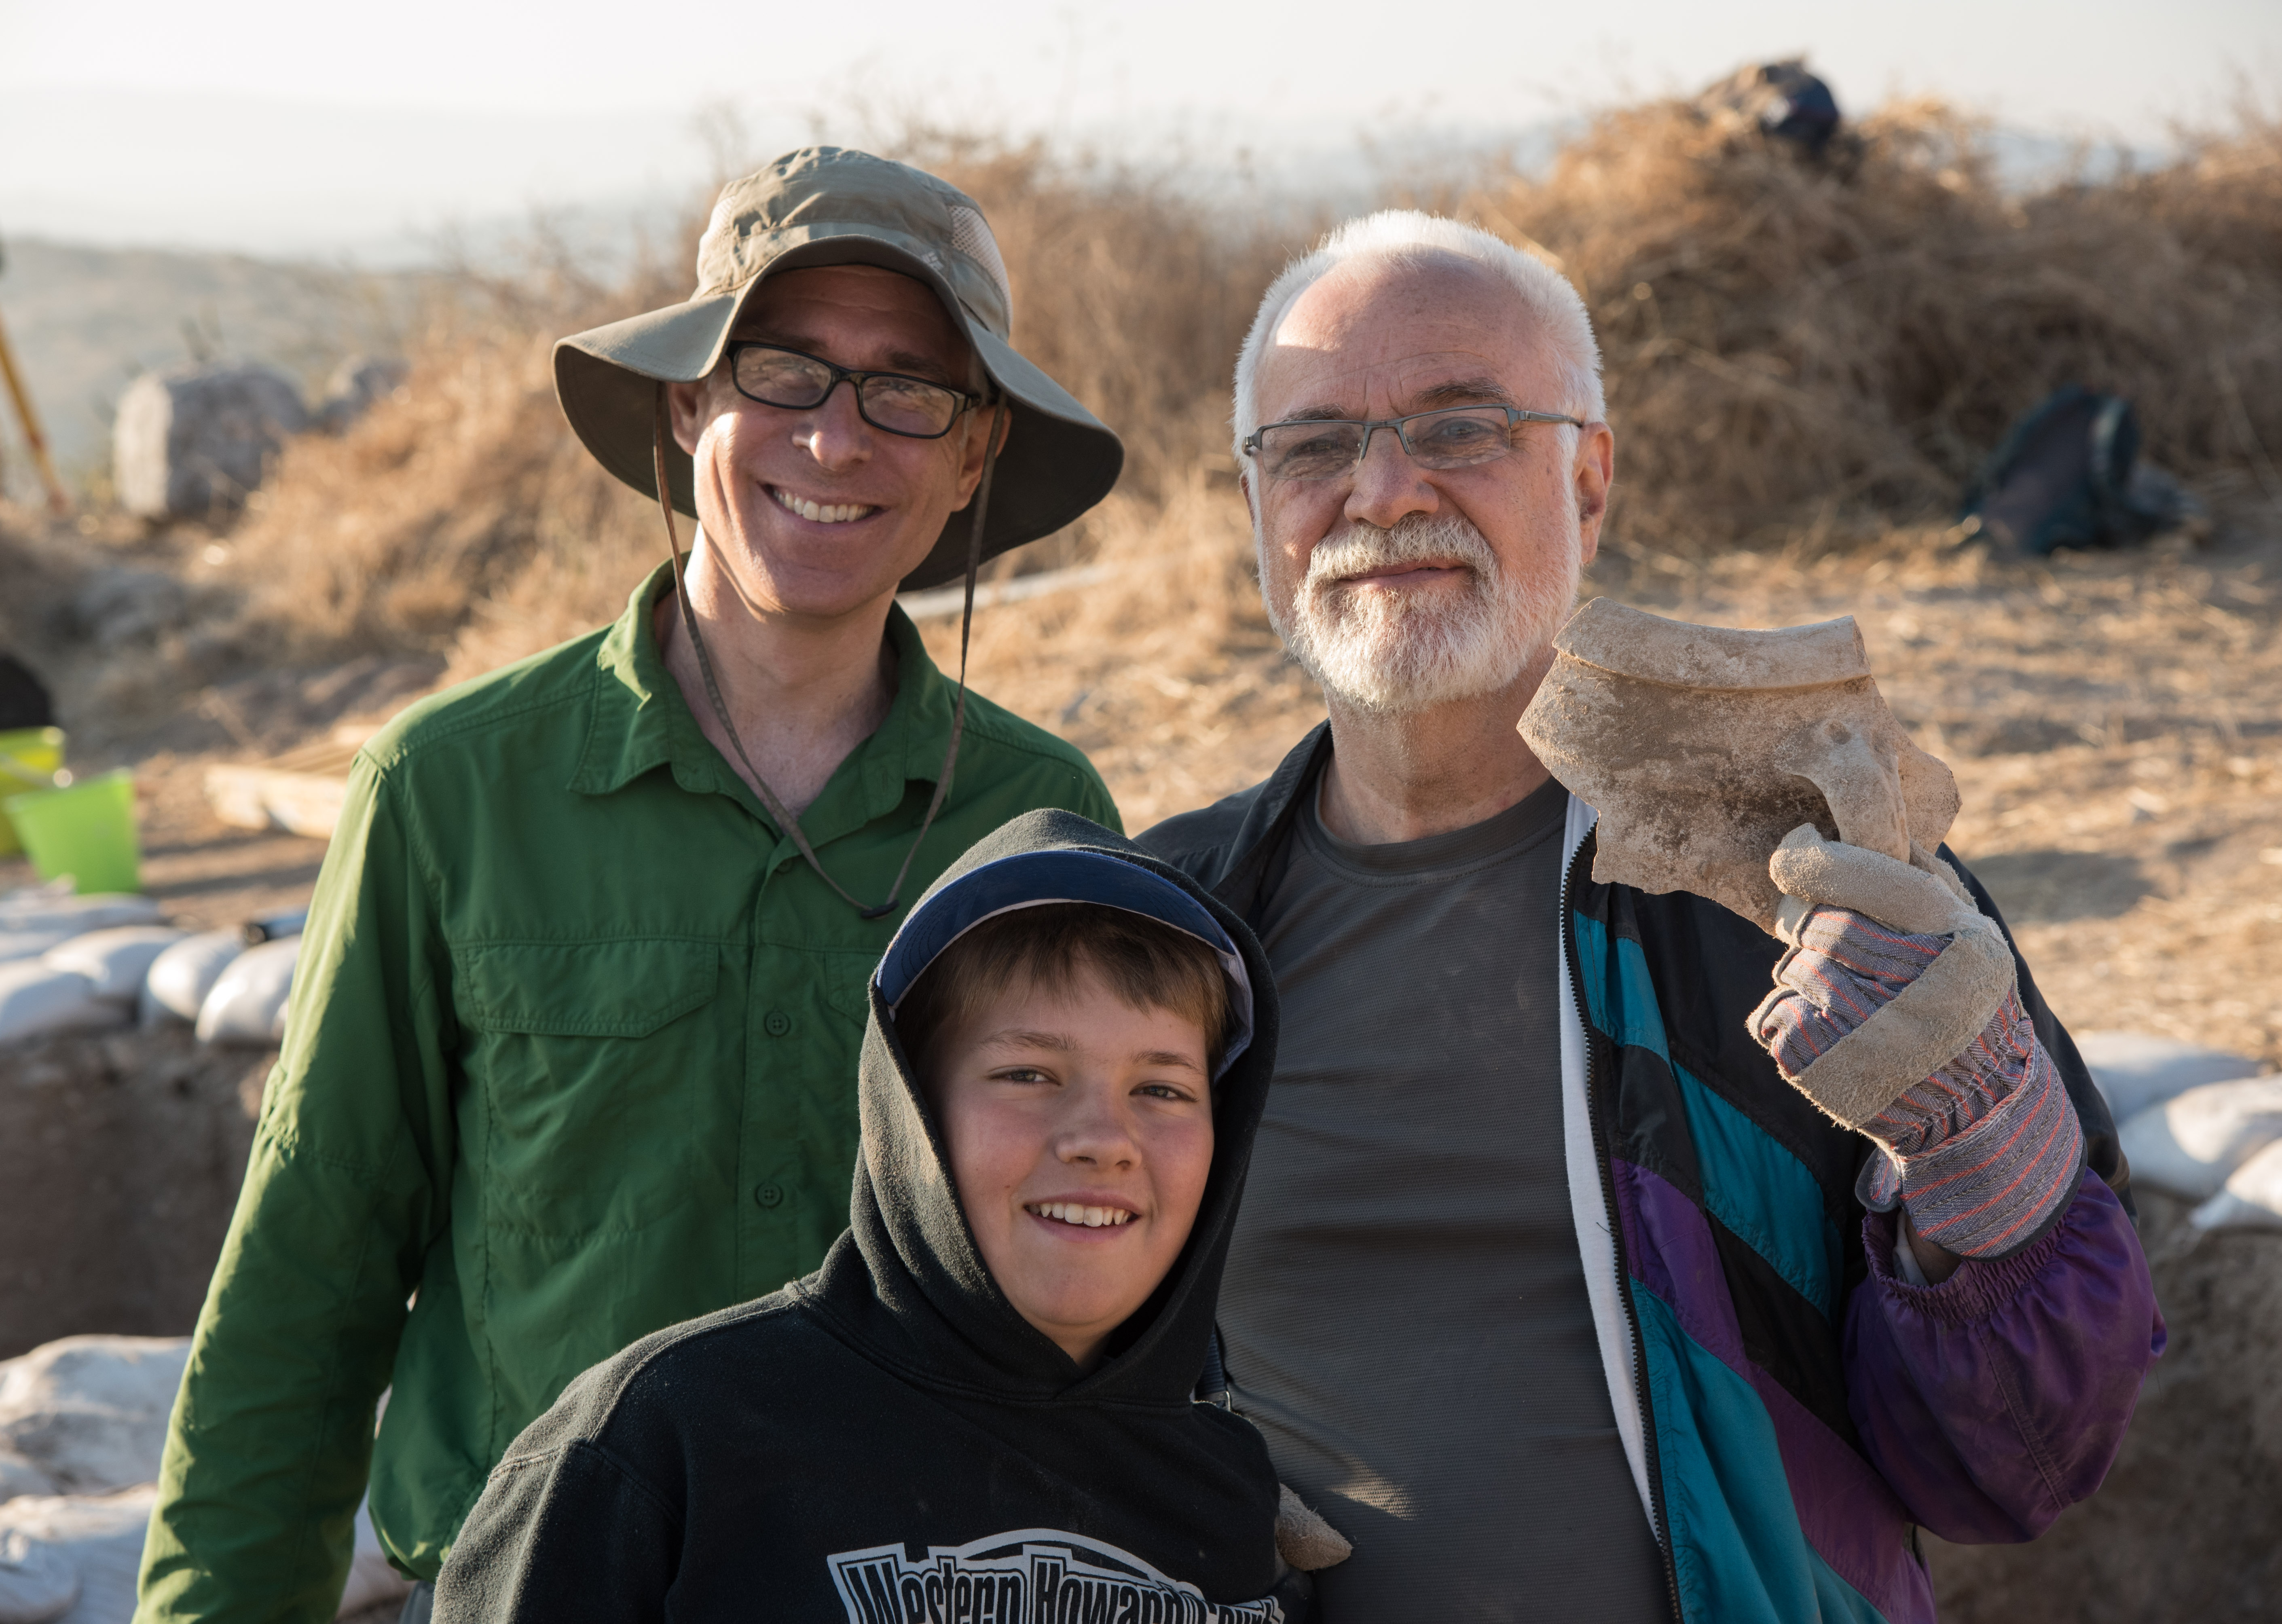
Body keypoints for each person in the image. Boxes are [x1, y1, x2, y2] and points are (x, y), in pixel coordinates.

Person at [136, 149, 1128, 1623]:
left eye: (905, 390)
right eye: (783, 371)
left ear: (974, 452)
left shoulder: (1037, 820)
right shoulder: (451, 790)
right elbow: (308, 1276)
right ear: (688, 402)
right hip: (532, 1585)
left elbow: (1097, 1265)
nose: (837, 439)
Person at [1138, 211, 2164, 1622]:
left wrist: (1973, 1159)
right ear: (1255, 498)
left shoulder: (1796, 885)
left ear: (1590, 478)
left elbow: (2017, 1471)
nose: (1379, 489)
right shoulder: (1168, 932)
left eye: (1462, 425)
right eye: (1312, 443)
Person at [431, 810, 1322, 1622]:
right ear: (911, 1111)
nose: (1102, 1139)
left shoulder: (1225, 1494)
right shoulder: (663, 1445)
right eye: (1027, 1075)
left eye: (1161, 1088)